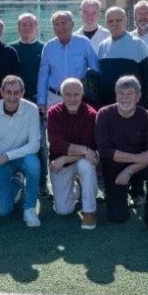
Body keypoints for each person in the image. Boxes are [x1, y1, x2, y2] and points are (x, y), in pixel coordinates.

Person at [95, 76, 148, 233]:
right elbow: (105, 151)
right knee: (117, 217)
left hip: (140, 166)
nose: (125, 97)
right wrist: (136, 158)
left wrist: (129, 170)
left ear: (138, 96)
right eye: (121, 93)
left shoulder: (147, 117)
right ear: (116, 95)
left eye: (130, 93)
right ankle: (122, 193)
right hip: (114, 167)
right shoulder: (104, 114)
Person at [0, 75, 42, 227]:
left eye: (16, 92)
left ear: (22, 93)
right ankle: (18, 181)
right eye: (8, 92)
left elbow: (35, 145)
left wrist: (7, 156)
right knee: (3, 211)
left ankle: (29, 208)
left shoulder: (32, 109)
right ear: (1, 92)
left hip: (21, 158)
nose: (12, 97)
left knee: (33, 164)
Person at [46, 78, 99, 230]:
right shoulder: (53, 112)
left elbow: (91, 150)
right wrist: (83, 150)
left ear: (82, 95)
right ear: (61, 95)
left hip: (72, 160)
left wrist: (64, 158)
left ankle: (89, 212)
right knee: (63, 210)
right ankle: (78, 187)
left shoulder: (91, 114)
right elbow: (57, 143)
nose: (72, 99)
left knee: (86, 165)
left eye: (76, 94)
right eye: (68, 95)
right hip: (60, 164)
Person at [10, 13, 49, 196]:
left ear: (36, 26)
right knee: (16, 142)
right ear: (18, 27)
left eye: (30, 24)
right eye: (23, 24)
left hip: (38, 103)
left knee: (40, 144)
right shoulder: (11, 49)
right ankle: (17, 180)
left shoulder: (45, 48)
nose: (26, 27)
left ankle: (41, 183)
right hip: (15, 103)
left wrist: (43, 100)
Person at [37, 11, 99, 112]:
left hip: (78, 98)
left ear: (72, 24)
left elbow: (95, 69)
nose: (60, 27)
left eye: (63, 23)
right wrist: (41, 101)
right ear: (53, 28)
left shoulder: (84, 43)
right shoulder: (48, 47)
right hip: (55, 98)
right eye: (57, 24)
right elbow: (43, 76)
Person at [97, 7, 148, 109]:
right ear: (106, 23)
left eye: (118, 20)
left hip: (132, 109)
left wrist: (142, 105)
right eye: (110, 21)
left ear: (126, 20)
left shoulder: (139, 45)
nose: (114, 24)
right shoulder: (102, 46)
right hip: (108, 108)